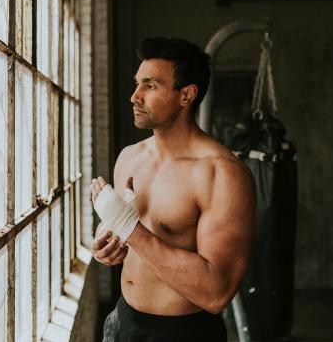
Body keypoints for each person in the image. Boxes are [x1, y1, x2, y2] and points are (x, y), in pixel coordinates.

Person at [90, 37, 256, 342]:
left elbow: (216, 292)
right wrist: (108, 242)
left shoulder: (222, 174)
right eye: (137, 84)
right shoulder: (130, 158)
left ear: (186, 95)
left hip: (183, 333)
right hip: (122, 321)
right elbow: (134, 238)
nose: (134, 97)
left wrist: (129, 228)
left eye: (150, 86)